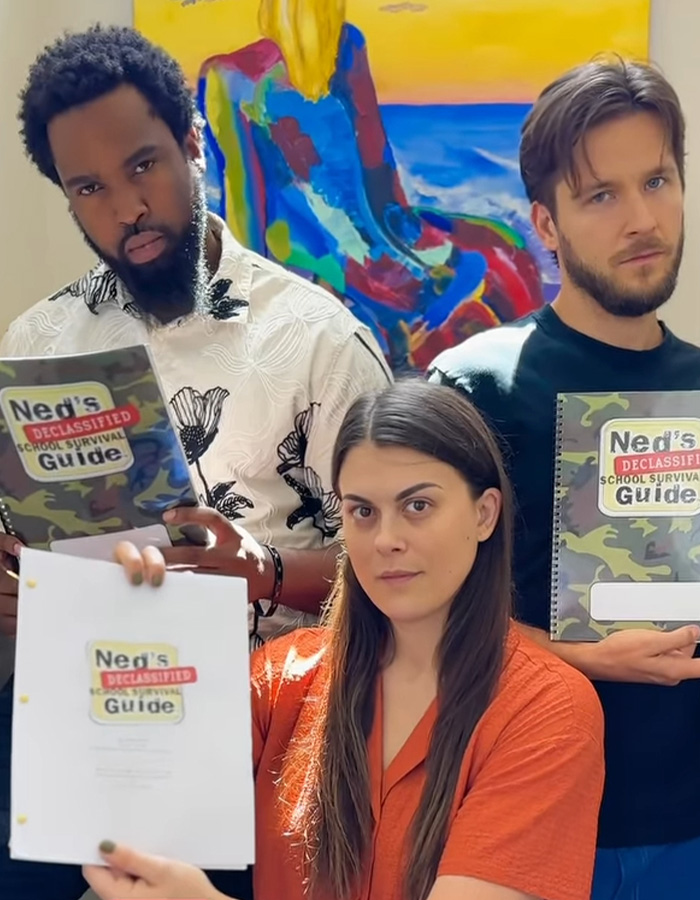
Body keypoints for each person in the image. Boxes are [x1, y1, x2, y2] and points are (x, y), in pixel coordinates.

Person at [0, 24, 391, 900]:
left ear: (191, 144)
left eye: (143, 166)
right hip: (76, 745)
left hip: (264, 755)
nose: (125, 209)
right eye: (89, 188)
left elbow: (407, 568)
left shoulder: (319, 340)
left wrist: (265, 569)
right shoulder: (35, 345)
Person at [82, 379, 604, 900]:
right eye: (362, 511)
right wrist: (132, 627)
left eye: (418, 506)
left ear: (484, 514)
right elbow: (125, 807)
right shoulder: (279, 678)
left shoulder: (550, 709)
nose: (386, 540)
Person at [428, 58, 700, 899]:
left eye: (657, 179)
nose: (643, 219)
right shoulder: (473, 386)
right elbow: (407, 614)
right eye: (601, 196)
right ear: (546, 223)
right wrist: (581, 658)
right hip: (527, 817)